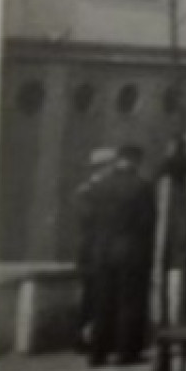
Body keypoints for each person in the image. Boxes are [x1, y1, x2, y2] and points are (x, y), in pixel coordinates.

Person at [85, 144, 156, 367]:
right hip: (130, 251)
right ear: (136, 161)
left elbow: (88, 219)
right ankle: (127, 353)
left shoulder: (100, 186)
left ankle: (97, 354)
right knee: (130, 302)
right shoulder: (141, 187)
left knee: (102, 302)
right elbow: (148, 222)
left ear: (118, 160)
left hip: (102, 251)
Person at [72, 146, 117, 354]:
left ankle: (97, 339)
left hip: (101, 251)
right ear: (101, 168)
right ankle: (84, 340)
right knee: (91, 298)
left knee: (101, 297)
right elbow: (87, 220)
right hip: (91, 252)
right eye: (111, 166)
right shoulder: (88, 191)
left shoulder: (98, 190)